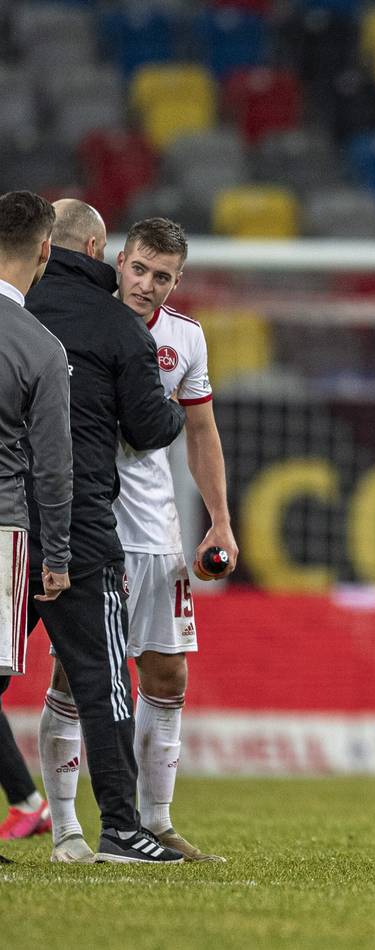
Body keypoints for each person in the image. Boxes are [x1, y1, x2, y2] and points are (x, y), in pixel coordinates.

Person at [38, 217, 238, 862]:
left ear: (177, 282)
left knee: (167, 672)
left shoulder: (185, 339)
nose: (148, 285)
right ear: (117, 261)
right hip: (88, 518)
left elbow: (201, 431)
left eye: (163, 277)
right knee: (78, 672)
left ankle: (156, 821)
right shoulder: (78, 317)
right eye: (140, 269)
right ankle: (66, 825)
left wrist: (220, 520)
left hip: (154, 525)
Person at [6, 198, 187, 864]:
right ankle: (122, 827)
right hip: (79, 526)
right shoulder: (119, 329)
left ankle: (48, 819)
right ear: (96, 252)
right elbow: (147, 429)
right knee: (103, 679)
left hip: (5, 525)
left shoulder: (14, 317)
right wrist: (170, 409)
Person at [0, 191, 73, 862]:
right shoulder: (42, 348)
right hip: (5, 535)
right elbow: (53, 467)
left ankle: (25, 804)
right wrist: (57, 557)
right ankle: (29, 804)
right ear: (45, 251)